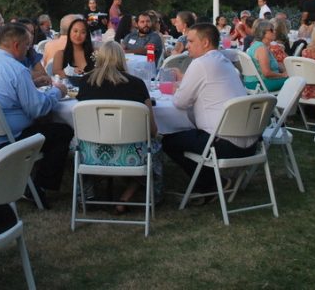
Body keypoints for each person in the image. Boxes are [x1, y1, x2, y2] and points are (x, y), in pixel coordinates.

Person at [0, 23, 73, 207]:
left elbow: (2, 92)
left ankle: (28, 180)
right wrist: (58, 91)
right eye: (27, 45)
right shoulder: (18, 70)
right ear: (16, 45)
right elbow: (37, 109)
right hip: (6, 140)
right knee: (62, 131)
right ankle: (39, 185)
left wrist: (32, 85)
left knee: (46, 126)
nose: (28, 49)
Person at [163, 23, 250, 199]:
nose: (187, 46)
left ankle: (210, 184)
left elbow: (180, 102)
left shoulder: (201, 63)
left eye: (191, 41)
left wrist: (176, 88)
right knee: (189, 133)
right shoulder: (223, 60)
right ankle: (212, 181)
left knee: (169, 141)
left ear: (205, 42)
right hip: (250, 142)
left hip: (224, 144)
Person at [76, 41, 159, 211]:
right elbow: (152, 130)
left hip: (91, 154)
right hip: (132, 155)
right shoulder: (136, 84)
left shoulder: (85, 83)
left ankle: (89, 187)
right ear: (123, 59)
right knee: (155, 146)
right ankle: (125, 197)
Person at [244, 20, 288, 92]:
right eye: (271, 30)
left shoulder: (258, 45)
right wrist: (282, 75)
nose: (274, 31)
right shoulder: (261, 49)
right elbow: (266, 73)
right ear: (263, 32)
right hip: (261, 83)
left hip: (255, 82)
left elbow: (275, 65)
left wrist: (287, 69)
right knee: (295, 81)